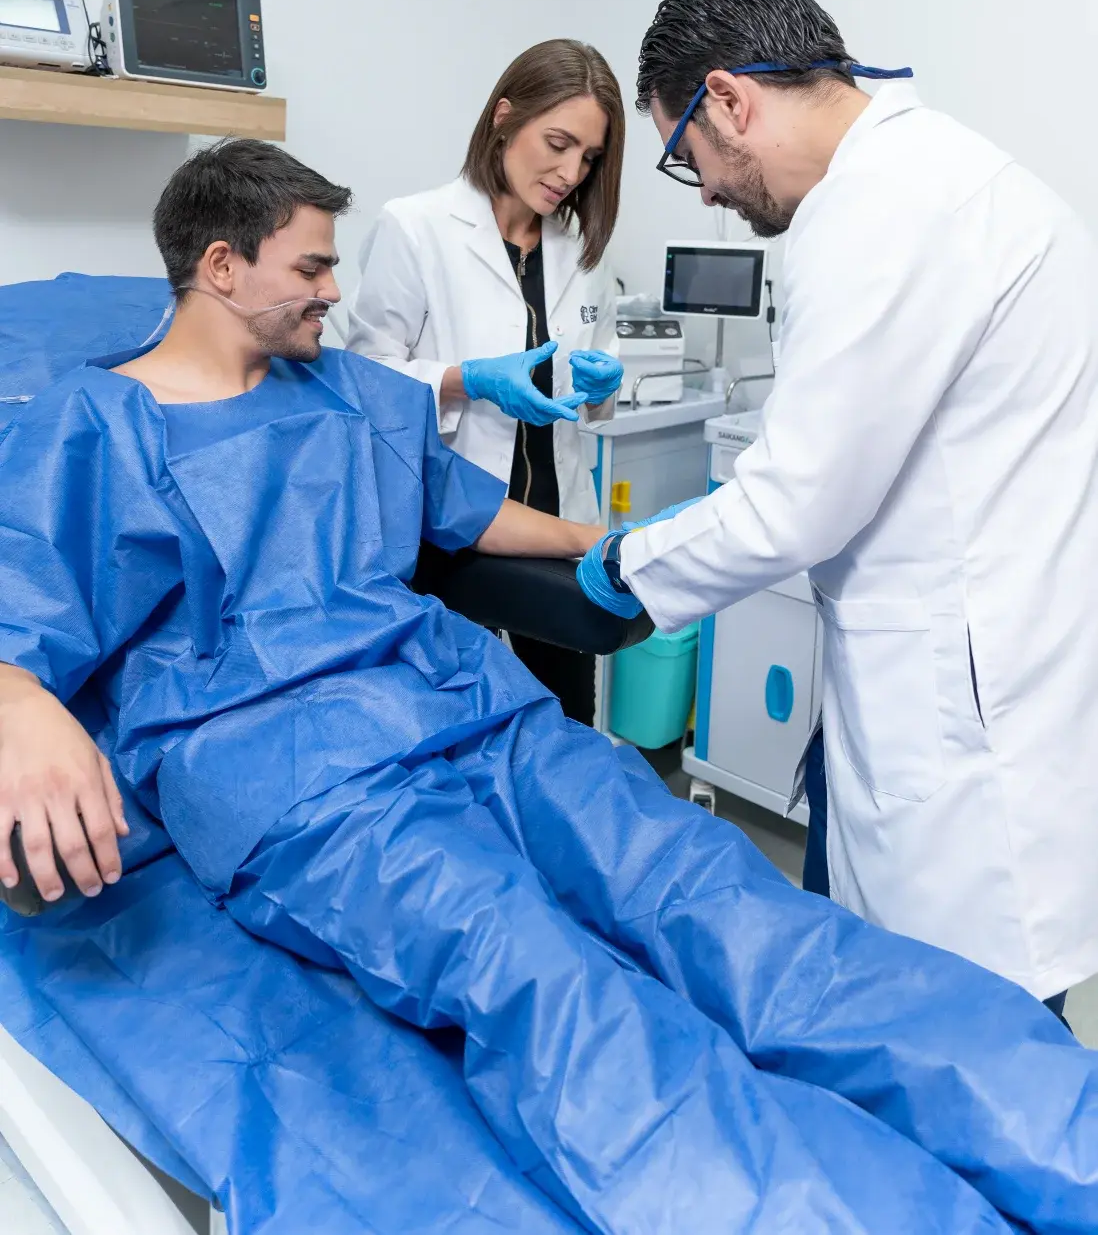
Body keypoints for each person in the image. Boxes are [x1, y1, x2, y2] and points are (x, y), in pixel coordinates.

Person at [2, 140, 1098, 1235]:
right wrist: (23, 703)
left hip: (471, 710)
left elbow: (465, 514)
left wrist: (610, 544)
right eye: (313, 269)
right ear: (222, 266)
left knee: (713, 897)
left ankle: (1068, 1141)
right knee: (539, 974)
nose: (337, 291)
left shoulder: (340, 389)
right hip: (297, 776)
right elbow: (21, 607)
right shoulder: (91, 427)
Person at [577, 0, 1098, 1019]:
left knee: (963, 1049)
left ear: (730, 99)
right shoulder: (953, 173)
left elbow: (795, 503)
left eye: (689, 159)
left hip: (960, 722)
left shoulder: (877, 212)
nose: (712, 194)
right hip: (989, 670)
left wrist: (625, 563)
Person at [348, 40, 626, 726]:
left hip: (560, 535)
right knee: (462, 736)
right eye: (557, 143)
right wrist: (461, 380)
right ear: (505, 116)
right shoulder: (416, 228)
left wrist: (603, 386)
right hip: (456, 540)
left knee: (566, 730)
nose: (569, 172)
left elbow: (595, 395)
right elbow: (361, 383)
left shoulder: (582, 252)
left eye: (588, 157)